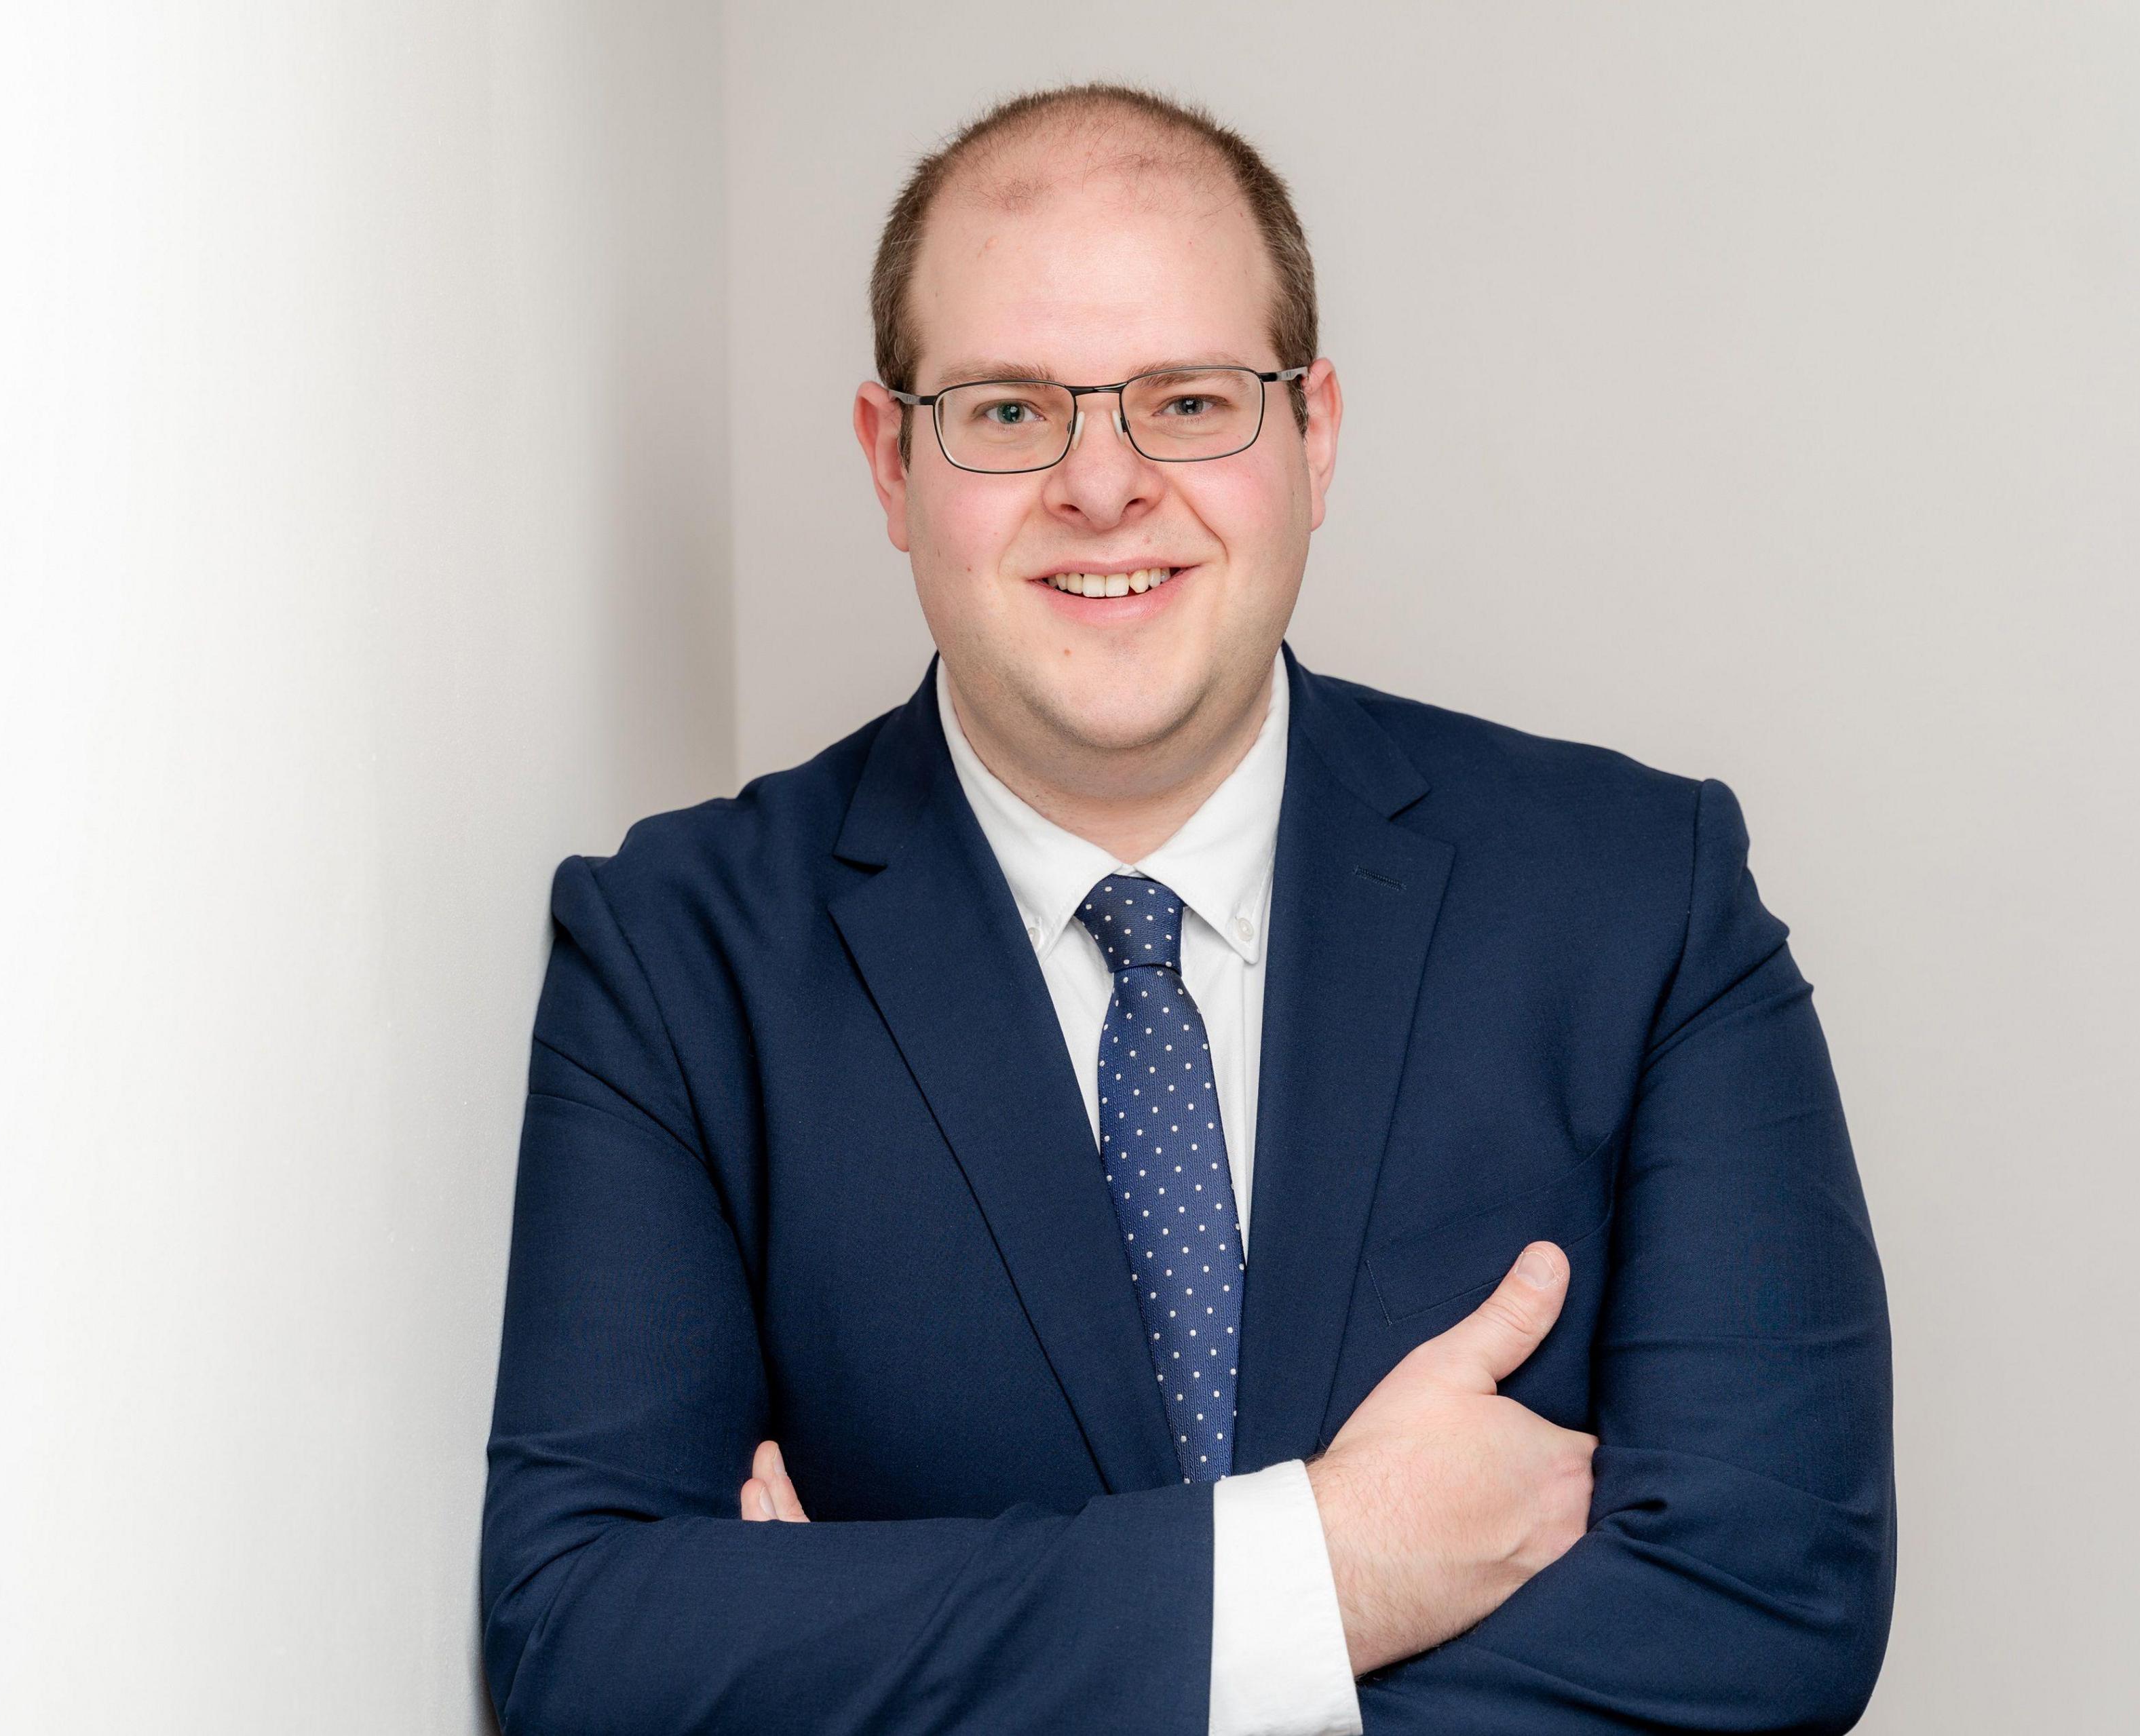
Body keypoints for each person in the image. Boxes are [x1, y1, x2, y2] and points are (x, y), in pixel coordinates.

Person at [478, 83, 1892, 1735]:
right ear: (890, 460)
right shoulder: (675, 960)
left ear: (1316, 437)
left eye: (1192, 400)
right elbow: (590, 1643)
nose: (1103, 484)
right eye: (1006, 411)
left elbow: (1768, 1603)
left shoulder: (1644, 896)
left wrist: (870, 1653)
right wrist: (1330, 1571)